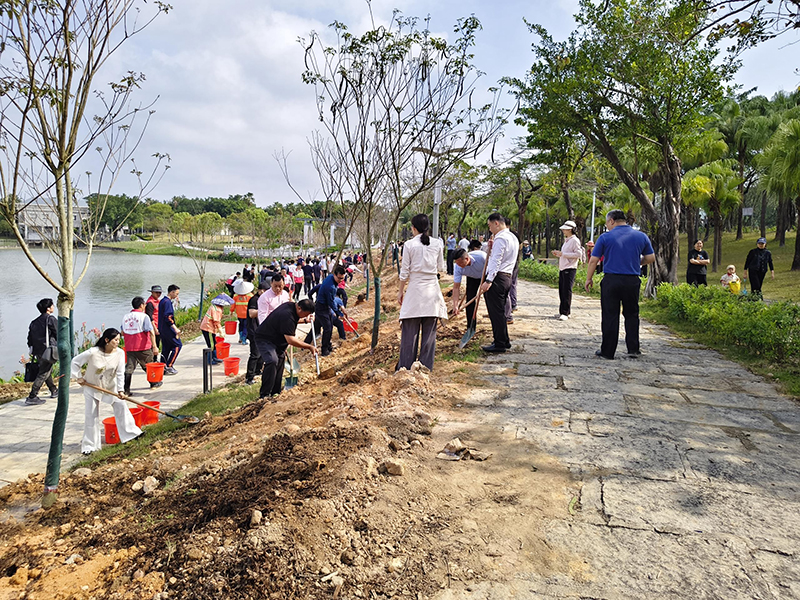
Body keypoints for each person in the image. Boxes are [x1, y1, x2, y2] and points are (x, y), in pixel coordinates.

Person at [585, 209, 655, 360]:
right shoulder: (641, 236)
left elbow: (593, 260)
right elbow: (650, 257)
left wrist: (588, 279)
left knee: (610, 315)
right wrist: (638, 263)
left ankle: (608, 351)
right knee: (632, 314)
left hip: (612, 279)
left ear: (611, 221)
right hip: (632, 280)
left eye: (607, 223)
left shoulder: (605, 237)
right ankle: (633, 349)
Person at [72, 328, 142, 455]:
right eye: (115, 340)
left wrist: (121, 390)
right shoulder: (93, 352)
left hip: (110, 386)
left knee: (121, 405)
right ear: (106, 340)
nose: (118, 342)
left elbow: (120, 373)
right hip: (92, 386)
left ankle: (131, 434)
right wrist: (78, 377)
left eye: (119, 339)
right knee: (91, 415)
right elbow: (75, 362)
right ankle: (90, 446)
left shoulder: (120, 353)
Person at [397, 213, 448, 370]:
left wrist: (400, 292)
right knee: (429, 336)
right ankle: (425, 368)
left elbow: (404, 272)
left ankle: (405, 368)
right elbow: (441, 268)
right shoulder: (437, 244)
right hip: (432, 291)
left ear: (413, 228)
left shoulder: (409, 245)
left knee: (409, 335)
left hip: (414, 291)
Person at [253, 299, 317, 399]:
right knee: (272, 360)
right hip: (265, 338)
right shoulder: (287, 315)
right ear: (299, 308)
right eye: (305, 314)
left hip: (277, 339)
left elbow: (292, 321)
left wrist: (305, 321)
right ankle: (264, 395)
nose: (305, 316)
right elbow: (290, 340)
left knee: (280, 360)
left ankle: (276, 392)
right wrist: (309, 346)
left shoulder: (292, 306)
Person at [480, 213, 519, 353]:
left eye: (490, 225)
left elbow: (496, 260)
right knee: (500, 311)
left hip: (497, 278)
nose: (489, 229)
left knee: (495, 312)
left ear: (497, 223)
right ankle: (504, 340)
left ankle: (499, 343)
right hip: (507, 277)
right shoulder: (512, 237)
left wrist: (489, 280)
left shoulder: (501, 238)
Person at [121, 296, 159, 396]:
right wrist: (154, 346)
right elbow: (151, 332)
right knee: (148, 366)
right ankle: (153, 384)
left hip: (130, 347)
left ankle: (126, 390)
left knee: (129, 368)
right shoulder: (144, 317)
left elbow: (122, 332)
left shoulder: (126, 317)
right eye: (144, 305)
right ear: (142, 305)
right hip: (143, 347)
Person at [306, 266, 346, 356]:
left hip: (326, 307)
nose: (340, 280)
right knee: (327, 329)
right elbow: (331, 302)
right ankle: (324, 350)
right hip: (321, 308)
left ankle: (327, 345)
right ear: (335, 275)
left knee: (327, 326)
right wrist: (339, 313)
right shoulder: (330, 287)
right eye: (339, 278)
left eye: (342, 278)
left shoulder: (331, 277)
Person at [25, 298, 58, 405]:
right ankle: (32, 396)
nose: (53, 307)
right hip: (48, 350)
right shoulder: (51, 319)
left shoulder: (34, 322)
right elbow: (59, 333)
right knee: (43, 372)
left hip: (38, 351)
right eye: (52, 305)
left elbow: (29, 338)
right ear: (48, 308)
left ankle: (53, 390)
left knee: (46, 370)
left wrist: (32, 349)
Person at [552, 220, 583, 320]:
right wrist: (560, 254)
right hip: (563, 267)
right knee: (562, 290)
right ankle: (563, 311)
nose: (563, 231)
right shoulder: (567, 240)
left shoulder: (575, 240)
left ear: (570, 229)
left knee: (567, 290)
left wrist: (563, 254)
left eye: (565, 229)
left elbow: (578, 254)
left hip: (570, 268)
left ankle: (565, 312)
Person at [452, 245, 487, 332]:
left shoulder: (482, 257)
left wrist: (488, 282)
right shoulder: (457, 267)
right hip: (472, 277)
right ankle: (470, 327)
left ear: (467, 259)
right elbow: (456, 287)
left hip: (486, 276)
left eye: (460, 263)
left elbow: (494, 270)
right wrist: (455, 305)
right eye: (457, 263)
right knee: (470, 300)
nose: (459, 265)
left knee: (490, 299)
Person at [245, 282, 269, 385]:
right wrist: (265, 310)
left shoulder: (262, 300)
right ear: (260, 291)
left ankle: (257, 371)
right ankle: (249, 377)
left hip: (261, 330)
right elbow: (251, 314)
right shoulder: (254, 300)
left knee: (261, 353)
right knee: (255, 354)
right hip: (253, 330)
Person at [200, 294, 233, 365]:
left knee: (213, 343)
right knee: (211, 345)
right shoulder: (217, 309)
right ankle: (209, 360)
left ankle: (214, 357)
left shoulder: (214, 306)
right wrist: (221, 331)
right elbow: (216, 321)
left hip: (207, 326)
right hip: (208, 328)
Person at [158, 285, 182, 375]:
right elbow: (168, 317)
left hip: (162, 329)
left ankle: (162, 366)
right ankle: (169, 365)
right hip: (168, 329)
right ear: (171, 292)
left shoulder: (162, 301)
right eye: (176, 293)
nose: (177, 296)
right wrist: (175, 328)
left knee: (166, 348)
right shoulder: (167, 302)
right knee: (177, 345)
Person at [144, 285, 162, 357]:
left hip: (158, 325)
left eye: (160, 293)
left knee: (157, 343)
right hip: (153, 327)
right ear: (152, 293)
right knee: (153, 344)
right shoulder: (150, 303)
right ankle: (152, 360)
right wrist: (155, 328)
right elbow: (149, 317)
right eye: (156, 292)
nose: (158, 294)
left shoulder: (158, 301)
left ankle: (154, 359)